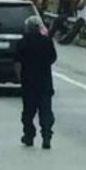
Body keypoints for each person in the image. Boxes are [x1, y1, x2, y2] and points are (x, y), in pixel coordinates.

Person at [15, 16, 57, 149]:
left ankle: (29, 135)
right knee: (45, 111)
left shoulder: (22, 42)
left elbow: (17, 62)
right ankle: (46, 136)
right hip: (45, 82)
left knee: (28, 112)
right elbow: (52, 58)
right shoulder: (47, 42)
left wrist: (19, 77)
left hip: (29, 82)